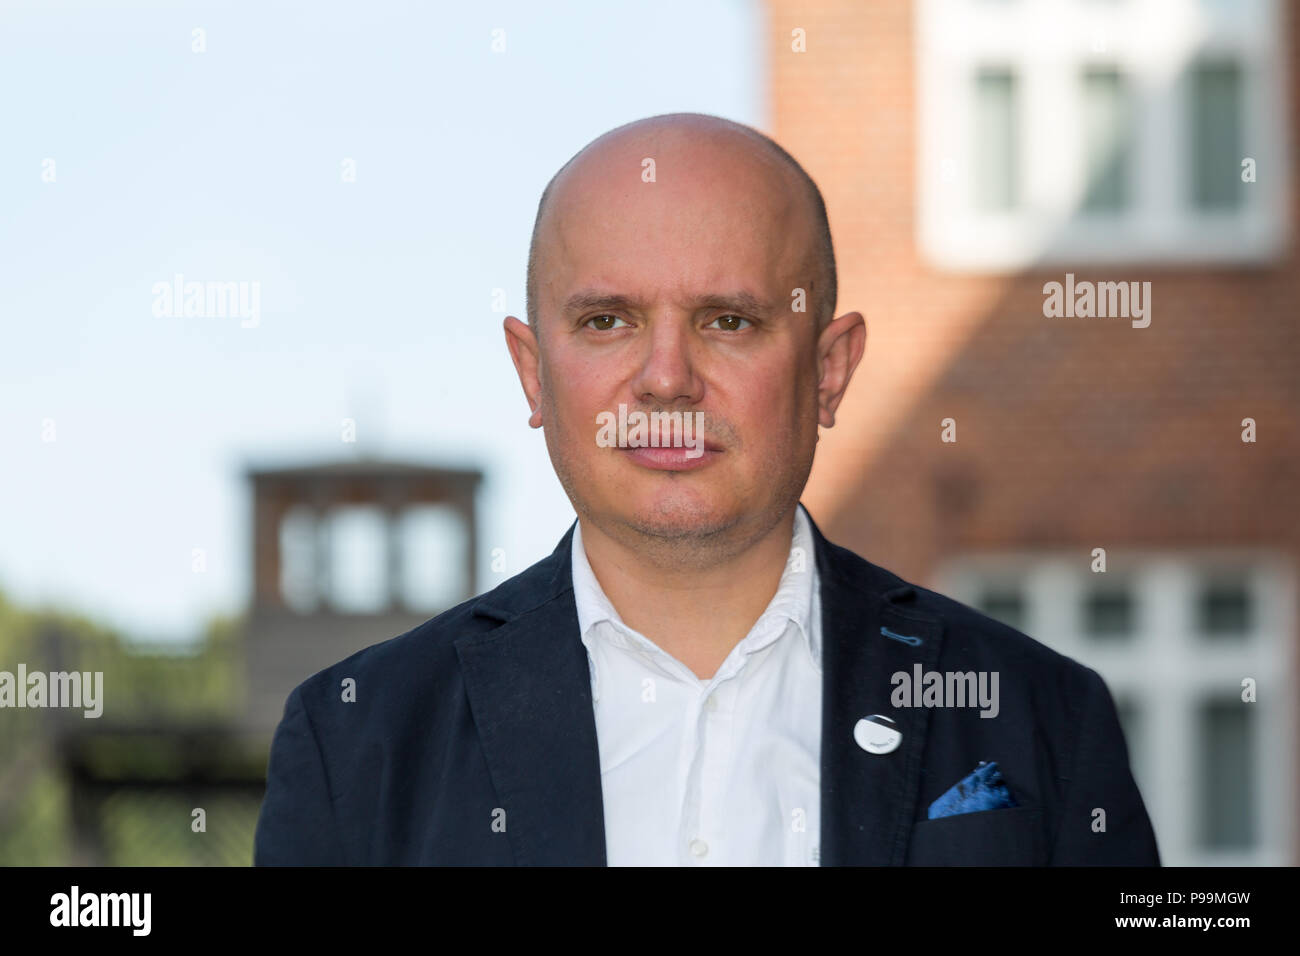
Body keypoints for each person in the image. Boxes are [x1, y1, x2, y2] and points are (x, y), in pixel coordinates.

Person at [254, 112, 1159, 866]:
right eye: (607, 321)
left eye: (729, 321)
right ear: (534, 375)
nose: (666, 378)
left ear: (829, 369)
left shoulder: (1039, 714)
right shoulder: (360, 746)